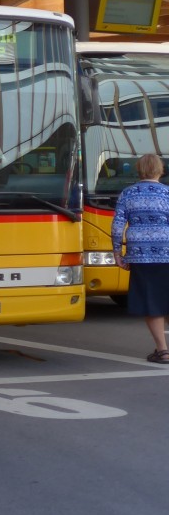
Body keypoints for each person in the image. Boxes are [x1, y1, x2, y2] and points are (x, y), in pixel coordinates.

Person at [111, 153, 169, 363]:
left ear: (138, 169)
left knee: (151, 301)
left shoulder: (128, 193)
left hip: (141, 255)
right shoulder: (167, 193)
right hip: (167, 251)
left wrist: (117, 252)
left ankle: (163, 351)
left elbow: (117, 226)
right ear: (160, 170)